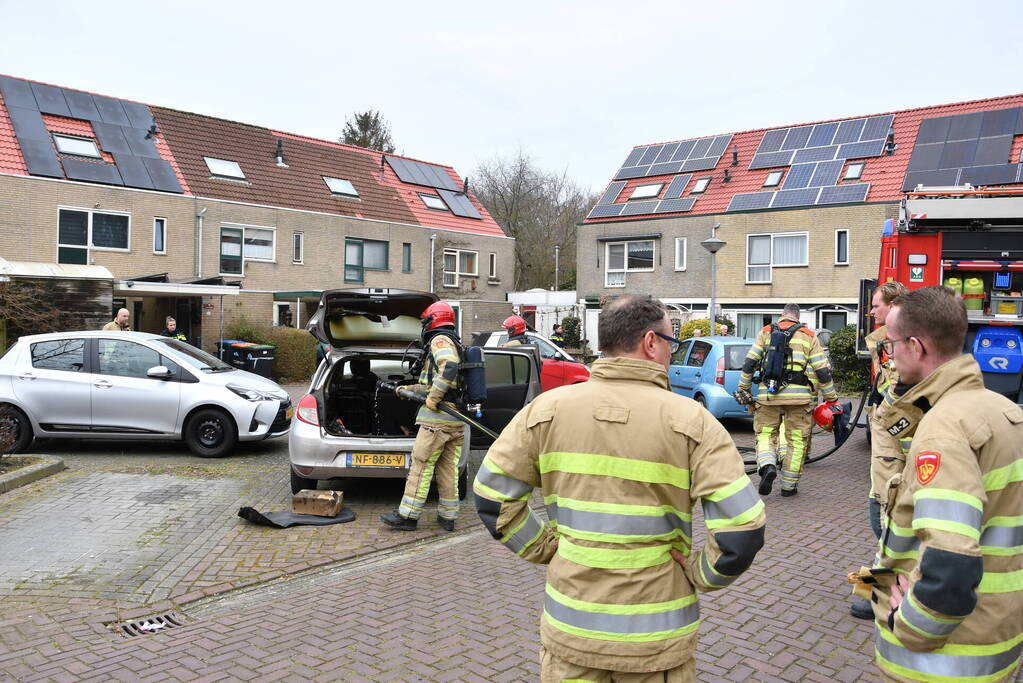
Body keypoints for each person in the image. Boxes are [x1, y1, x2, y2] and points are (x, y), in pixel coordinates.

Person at [474, 295, 765, 682]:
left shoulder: (545, 410)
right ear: (650, 342)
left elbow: (492, 498)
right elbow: (742, 530)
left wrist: (547, 548)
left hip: (571, 631)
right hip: (656, 642)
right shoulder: (693, 422)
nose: (670, 354)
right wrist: (700, 574)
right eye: (670, 343)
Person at [866, 286, 1023, 683]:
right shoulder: (1004, 410)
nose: (890, 355)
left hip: (942, 661)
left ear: (915, 346)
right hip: (996, 638)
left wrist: (911, 625)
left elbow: (951, 562)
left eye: (892, 344)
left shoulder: (944, 430)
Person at [735, 303, 839, 497]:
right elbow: (822, 371)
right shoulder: (808, 335)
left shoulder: (765, 332)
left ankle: (767, 466)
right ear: (797, 317)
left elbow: (749, 363)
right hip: (799, 400)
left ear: (782, 315)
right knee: (797, 441)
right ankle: (789, 486)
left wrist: (744, 389)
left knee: (765, 434)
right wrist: (831, 398)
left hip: (768, 397)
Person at [850, 281, 908, 620]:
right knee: (880, 513)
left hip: (892, 441)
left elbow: (901, 391)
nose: (872, 312)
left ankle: (883, 596)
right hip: (884, 435)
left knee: (887, 517)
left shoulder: (897, 343)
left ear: (893, 306)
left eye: (876, 306)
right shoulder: (885, 342)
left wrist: (884, 413)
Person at [380, 301, 463, 532]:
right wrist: (407, 390)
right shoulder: (455, 341)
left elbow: (449, 366)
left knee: (422, 465)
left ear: (431, 321)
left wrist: (434, 399)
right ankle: (448, 517)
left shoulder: (440, 341)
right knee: (448, 469)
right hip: (455, 420)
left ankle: (407, 516)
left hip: (436, 421)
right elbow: (434, 382)